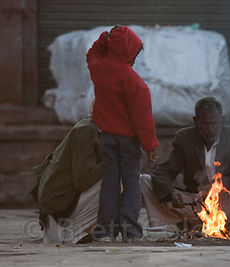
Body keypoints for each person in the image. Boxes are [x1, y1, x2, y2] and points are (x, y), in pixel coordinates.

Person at [141, 96, 230, 237]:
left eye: (214, 123)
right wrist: (171, 193)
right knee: (145, 180)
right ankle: (186, 224)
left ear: (222, 121)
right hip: (194, 202)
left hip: (228, 201)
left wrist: (223, 183)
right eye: (204, 123)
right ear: (195, 121)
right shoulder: (184, 138)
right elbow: (164, 172)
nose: (209, 129)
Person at [86, 25, 159, 242]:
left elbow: (92, 53)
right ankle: (131, 231)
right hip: (129, 142)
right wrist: (150, 146)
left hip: (106, 138)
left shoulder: (98, 68)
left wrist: (105, 37)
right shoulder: (135, 82)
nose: (135, 58)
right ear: (128, 52)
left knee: (109, 184)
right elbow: (143, 119)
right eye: (134, 53)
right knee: (131, 184)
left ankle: (104, 231)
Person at [32, 109, 102, 244]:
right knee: (115, 180)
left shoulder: (89, 127)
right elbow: (83, 180)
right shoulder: (87, 130)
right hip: (57, 212)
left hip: (59, 210)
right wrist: (110, 162)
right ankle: (75, 233)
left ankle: (80, 231)